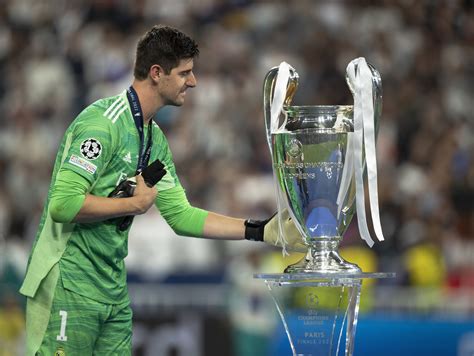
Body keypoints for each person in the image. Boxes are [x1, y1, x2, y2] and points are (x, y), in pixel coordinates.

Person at [20, 25, 304, 355]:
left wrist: (258, 230)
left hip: (111, 287)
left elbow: (181, 217)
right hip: (66, 284)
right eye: (185, 72)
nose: (193, 81)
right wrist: (134, 205)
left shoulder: (154, 140)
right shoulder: (102, 124)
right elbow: (63, 204)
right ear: (157, 73)